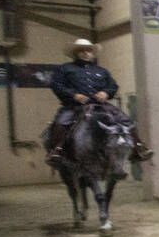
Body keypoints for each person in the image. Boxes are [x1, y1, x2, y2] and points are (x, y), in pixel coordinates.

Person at [46, 38, 152, 168]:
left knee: (126, 120)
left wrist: (106, 93)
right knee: (61, 122)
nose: (85, 53)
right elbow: (56, 85)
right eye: (81, 50)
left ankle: (139, 147)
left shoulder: (102, 71)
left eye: (88, 50)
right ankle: (57, 150)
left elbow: (113, 86)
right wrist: (74, 95)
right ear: (75, 53)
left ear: (92, 53)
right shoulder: (65, 68)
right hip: (74, 106)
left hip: (100, 105)